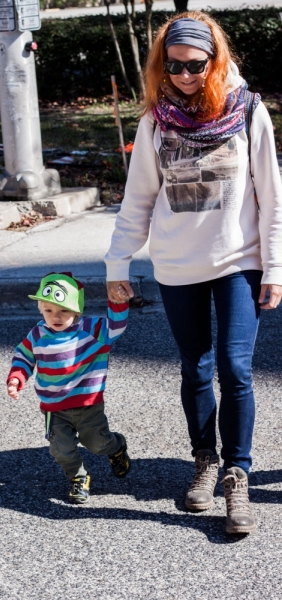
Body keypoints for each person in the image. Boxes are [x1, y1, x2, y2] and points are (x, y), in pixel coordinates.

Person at [105, 12, 282, 534]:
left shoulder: (249, 112)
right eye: (174, 66)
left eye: (195, 65)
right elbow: (137, 201)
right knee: (196, 368)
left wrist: (274, 267)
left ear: (214, 60)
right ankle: (204, 461)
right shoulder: (154, 122)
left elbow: (272, 200)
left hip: (237, 261)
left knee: (236, 368)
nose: (184, 75)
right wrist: (118, 263)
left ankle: (238, 475)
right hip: (177, 265)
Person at [6, 272, 131, 504]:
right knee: (60, 449)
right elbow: (23, 355)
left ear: (77, 310)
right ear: (41, 309)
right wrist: (17, 377)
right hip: (53, 408)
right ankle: (78, 477)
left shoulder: (92, 330)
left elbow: (115, 325)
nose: (56, 316)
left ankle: (116, 446)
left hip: (87, 405)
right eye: (49, 310)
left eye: (63, 310)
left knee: (98, 443)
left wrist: (117, 301)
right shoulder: (37, 334)